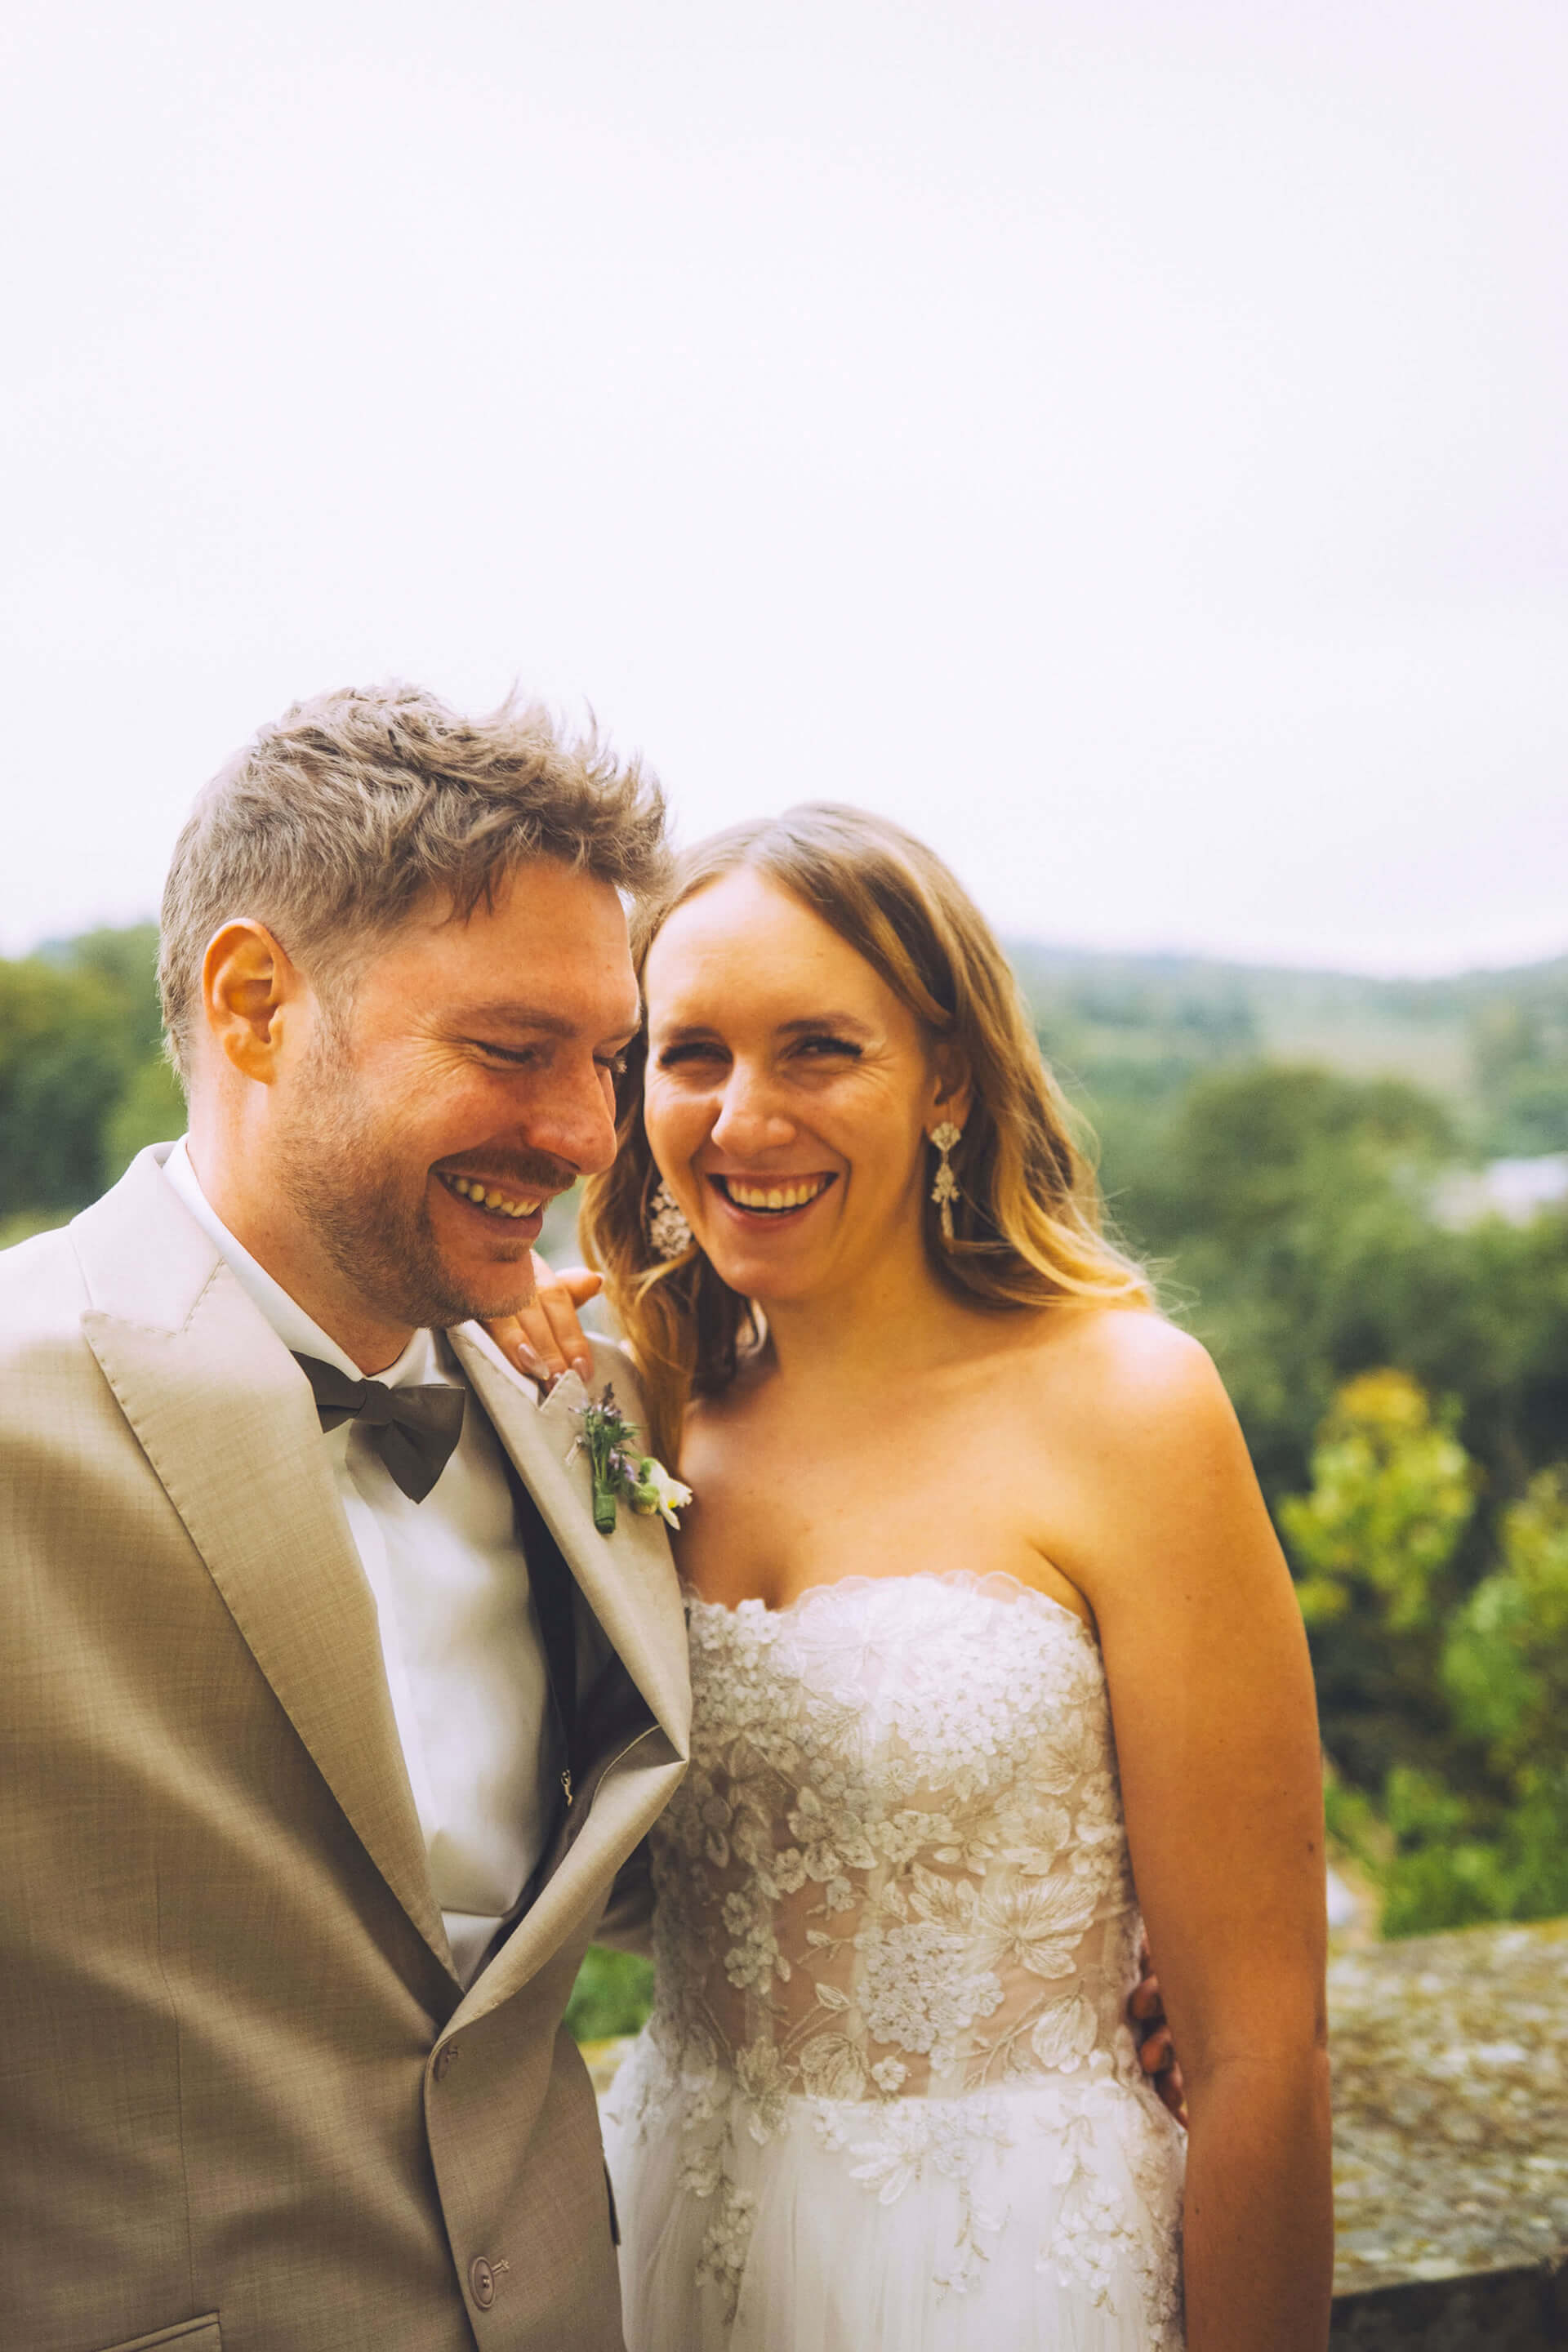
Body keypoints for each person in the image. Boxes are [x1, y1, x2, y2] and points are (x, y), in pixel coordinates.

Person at [496, 805, 1333, 2352]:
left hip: (1007, 2259)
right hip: (677, 2230)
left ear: (946, 1073)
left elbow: (1260, 2052)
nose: (746, 1119)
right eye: (691, 1055)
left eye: (820, 1049)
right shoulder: (638, 1406)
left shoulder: (1133, 1408)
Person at [0, 684, 693, 2352]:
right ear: (254, 1005)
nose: (590, 1135)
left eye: (608, 1062)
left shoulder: (574, 1397)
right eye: (512, 1053)